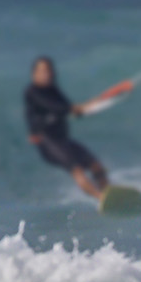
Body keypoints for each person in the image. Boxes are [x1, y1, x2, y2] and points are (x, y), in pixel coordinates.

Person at [23, 56, 110, 200]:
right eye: (43, 71)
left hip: (63, 141)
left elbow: (70, 110)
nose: (47, 74)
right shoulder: (32, 92)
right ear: (34, 74)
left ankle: (109, 193)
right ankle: (100, 197)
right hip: (48, 142)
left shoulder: (53, 90)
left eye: (49, 70)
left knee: (96, 166)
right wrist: (79, 107)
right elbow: (58, 108)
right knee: (77, 170)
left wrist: (87, 108)